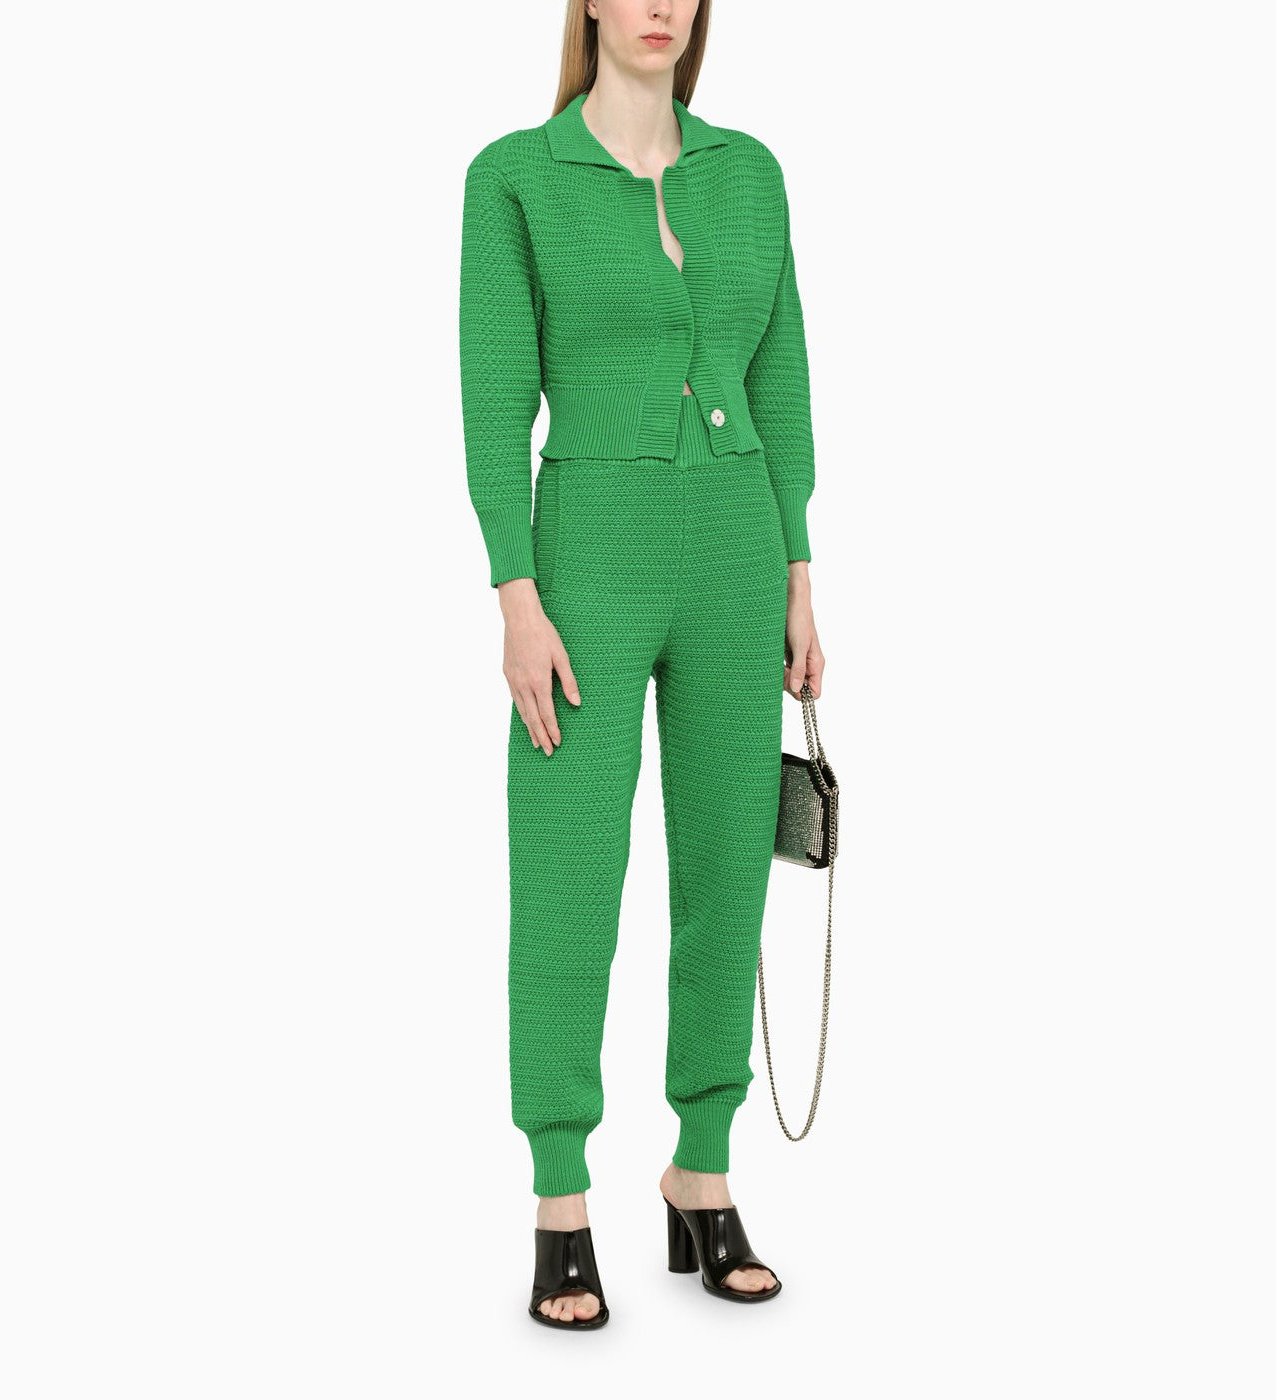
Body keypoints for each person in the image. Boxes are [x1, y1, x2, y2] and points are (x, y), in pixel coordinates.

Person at [458, 0, 825, 1329]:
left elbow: (780, 374)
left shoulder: (751, 174)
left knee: (728, 864)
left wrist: (798, 568)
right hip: (587, 561)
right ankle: (561, 1196)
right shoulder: (515, 177)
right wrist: (516, 593)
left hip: (736, 548)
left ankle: (701, 1170)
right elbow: (494, 396)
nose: (661, 4)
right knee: (568, 873)